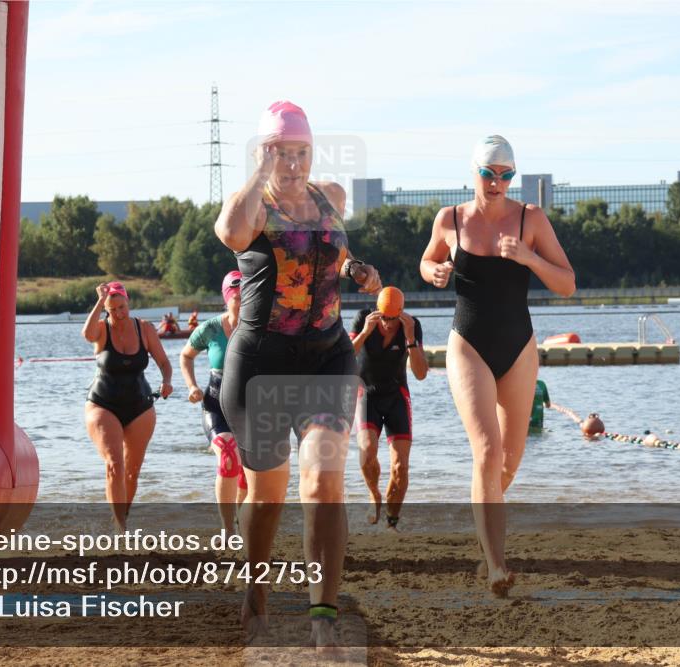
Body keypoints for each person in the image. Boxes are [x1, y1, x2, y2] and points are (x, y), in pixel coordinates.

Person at [214, 100, 381, 648]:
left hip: (328, 357)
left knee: (323, 481)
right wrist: (260, 173)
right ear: (265, 153)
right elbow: (229, 233)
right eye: (281, 153)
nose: (292, 164)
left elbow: (334, 246)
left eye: (301, 152)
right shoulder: (253, 205)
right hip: (262, 362)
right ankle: (256, 591)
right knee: (267, 498)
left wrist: (354, 269)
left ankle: (323, 617)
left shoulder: (329, 196)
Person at [418, 135, 575, 597]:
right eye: (490, 174)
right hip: (467, 344)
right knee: (486, 452)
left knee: (508, 462)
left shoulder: (532, 219)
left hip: (519, 347)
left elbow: (567, 284)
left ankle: (484, 528)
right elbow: (428, 260)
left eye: (507, 175)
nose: (498, 183)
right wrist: (435, 272)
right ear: (474, 173)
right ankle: (495, 566)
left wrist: (528, 256)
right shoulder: (451, 220)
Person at [82, 281, 174, 530]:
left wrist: (166, 382)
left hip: (140, 406)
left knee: (132, 471)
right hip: (103, 404)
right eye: (113, 310)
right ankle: (120, 527)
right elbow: (87, 335)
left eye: (122, 307)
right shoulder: (101, 329)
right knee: (114, 464)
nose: (119, 314)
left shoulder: (144, 329)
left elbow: (164, 363)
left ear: (128, 302)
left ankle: (121, 518)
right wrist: (100, 302)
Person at [350, 286, 428, 530]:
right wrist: (365, 332)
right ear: (377, 312)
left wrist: (410, 339)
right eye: (383, 317)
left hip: (396, 396)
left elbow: (421, 373)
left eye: (393, 319)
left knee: (400, 465)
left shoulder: (411, 326)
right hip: (366, 395)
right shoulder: (364, 319)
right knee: (367, 452)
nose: (387, 324)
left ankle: (392, 522)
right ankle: (375, 495)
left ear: (401, 314)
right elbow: (344, 357)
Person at [180, 271, 247, 534]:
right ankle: (226, 529)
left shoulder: (261, 327)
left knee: (246, 472)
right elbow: (186, 356)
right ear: (227, 298)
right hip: (215, 404)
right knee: (228, 457)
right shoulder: (210, 329)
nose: (243, 302)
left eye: (248, 297)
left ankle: (242, 522)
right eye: (238, 298)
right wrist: (192, 386)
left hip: (249, 407)